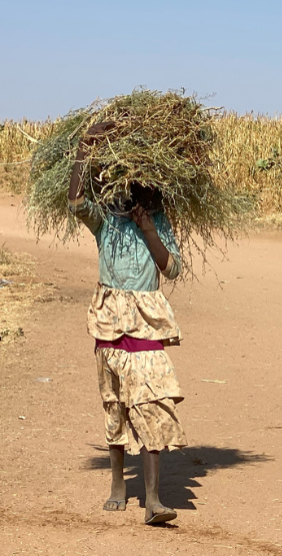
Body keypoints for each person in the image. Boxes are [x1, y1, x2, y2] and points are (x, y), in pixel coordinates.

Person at [68, 122, 188, 525]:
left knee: (152, 403)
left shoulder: (157, 219)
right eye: (134, 183)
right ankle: (119, 483)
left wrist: (149, 227)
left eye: (147, 185)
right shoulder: (106, 220)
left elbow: (171, 268)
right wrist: (85, 147)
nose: (140, 191)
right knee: (115, 405)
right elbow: (75, 201)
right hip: (110, 325)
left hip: (147, 326)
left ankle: (153, 497)